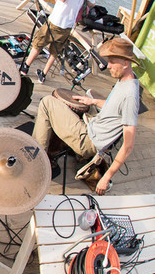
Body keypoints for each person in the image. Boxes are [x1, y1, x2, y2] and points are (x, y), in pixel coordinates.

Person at [32, 38, 139, 195]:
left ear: (125, 63)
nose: (108, 66)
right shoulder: (126, 80)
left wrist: (106, 177)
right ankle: (52, 152)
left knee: (47, 103)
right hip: (91, 128)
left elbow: (128, 146)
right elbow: (115, 107)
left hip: (88, 140)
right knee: (69, 106)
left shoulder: (130, 95)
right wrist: (92, 101)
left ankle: (35, 161)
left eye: (112, 62)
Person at [19, 0, 95, 83]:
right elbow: (91, 3)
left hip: (58, 19)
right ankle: (43, 74)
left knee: (39, 41)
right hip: (70, 23)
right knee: (56, 49)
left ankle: (25, 67)